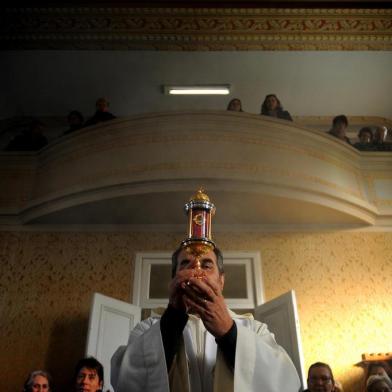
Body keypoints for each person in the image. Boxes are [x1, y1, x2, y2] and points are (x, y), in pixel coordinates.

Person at [111, 246, 300, 392]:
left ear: (221, 280)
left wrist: (229, 333)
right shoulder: (148, 328)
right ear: (174, 278)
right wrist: (173, 319)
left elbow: (285, 382)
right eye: (186, 264)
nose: (196, 271)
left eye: (207, 265)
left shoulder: (254, 329)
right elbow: (123, 380)